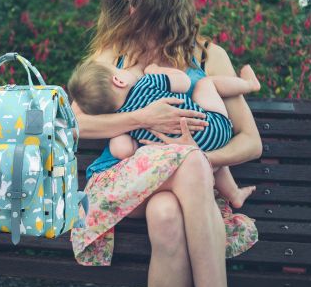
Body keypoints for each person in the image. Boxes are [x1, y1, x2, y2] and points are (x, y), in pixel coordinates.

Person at [69, 0, 261, 287]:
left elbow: (251, 142)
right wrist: (143, 118)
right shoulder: (116, 53)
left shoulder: (208, 56)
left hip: (183, 189)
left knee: (166, 213)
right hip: (124, 182)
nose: (130, 11)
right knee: (187, 164)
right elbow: (73, 124)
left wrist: (202, 157)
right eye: (125, 2)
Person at [68, 58, 260, 208]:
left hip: (188, 152)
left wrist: (134, 140)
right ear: (118, 80)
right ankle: (250, 84)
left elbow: (122, 150)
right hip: (214, 127)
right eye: (121, 70)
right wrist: (155, 70)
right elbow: (183, 81)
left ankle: (234, 194)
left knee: (198, 152)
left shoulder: (119, 120)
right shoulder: (146, 82)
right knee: (206, 84)